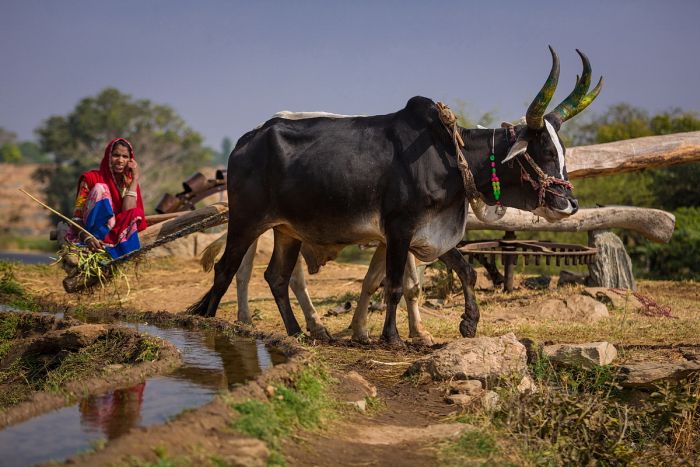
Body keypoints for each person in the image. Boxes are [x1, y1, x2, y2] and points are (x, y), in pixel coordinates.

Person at [68, 137, 148, 258]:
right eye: (116, 155)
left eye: (125, 157)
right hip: (92, 233)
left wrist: (135, 179)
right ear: (108, 156)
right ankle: (104, 239)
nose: (120, 160)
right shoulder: (90, 179)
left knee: (136, 212)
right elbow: (76, 218)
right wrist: (88, 237)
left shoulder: (130, 183)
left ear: (131, 160)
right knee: (101, 188)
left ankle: (111, 243)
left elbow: (129, 213)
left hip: (116, 232)